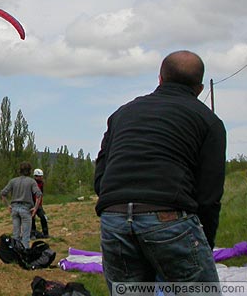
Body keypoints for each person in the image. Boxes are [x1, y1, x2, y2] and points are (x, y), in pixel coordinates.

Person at [94, 50, 226, 292]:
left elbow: (101, 174)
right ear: (198, 89)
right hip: (170, 217)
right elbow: (210, 194)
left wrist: (117, 208)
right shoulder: (208, 121)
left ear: (160, 79)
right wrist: (202, 244)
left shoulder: (122, 114)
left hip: (114, 218)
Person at [0, 161, 42, 249]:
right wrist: (35, 208)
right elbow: (39, 195)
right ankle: (25, 255)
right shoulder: (31, 182)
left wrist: (8, 205)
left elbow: (3, 193)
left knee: (16, 235)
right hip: (26, 209)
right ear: (30, 171)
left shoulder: (13, 181)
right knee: (26, 236)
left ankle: (15, 254)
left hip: (14, 209)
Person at [30, 168, 49, 239]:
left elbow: (41, 194)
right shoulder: (32, 183)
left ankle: (45, 233)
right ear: (36, 176)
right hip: (32, 204)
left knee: (43, 217)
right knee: (32, 219)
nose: (41, 177)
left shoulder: (41, 183)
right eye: (39, 176)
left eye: (41, 176)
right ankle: (32, 233)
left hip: (38, 205)